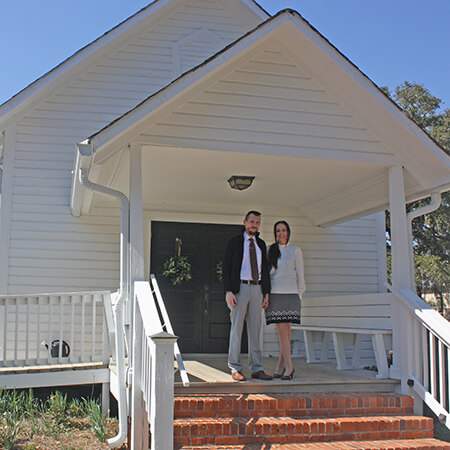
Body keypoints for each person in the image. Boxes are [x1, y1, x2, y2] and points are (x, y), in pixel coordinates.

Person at [223, 210, 273, 381]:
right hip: (240, 289)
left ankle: (257, 368)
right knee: (236, 329)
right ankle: (235, 367)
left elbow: (264, 271)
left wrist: (266, 292)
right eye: (252, 222)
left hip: (257, 289)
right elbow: (226, 267)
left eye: (257, 222)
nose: (254, 225)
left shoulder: (260, 244)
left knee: (255, 330)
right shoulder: (235, 242)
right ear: (244, 222)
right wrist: (228, 290)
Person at [265, 220, 306, 380]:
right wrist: (265, 294)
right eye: (278, 231)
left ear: (288, 232)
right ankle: (290, 367)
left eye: (283, 230)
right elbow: (266, 276)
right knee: (282, 332)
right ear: (275, 234)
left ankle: (280, 365)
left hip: (291, 294)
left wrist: (300, 293)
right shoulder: (270, 250)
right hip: (275, 294)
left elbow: (300, 274)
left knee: (286, 333)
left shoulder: (296, 251)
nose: (281, 233)